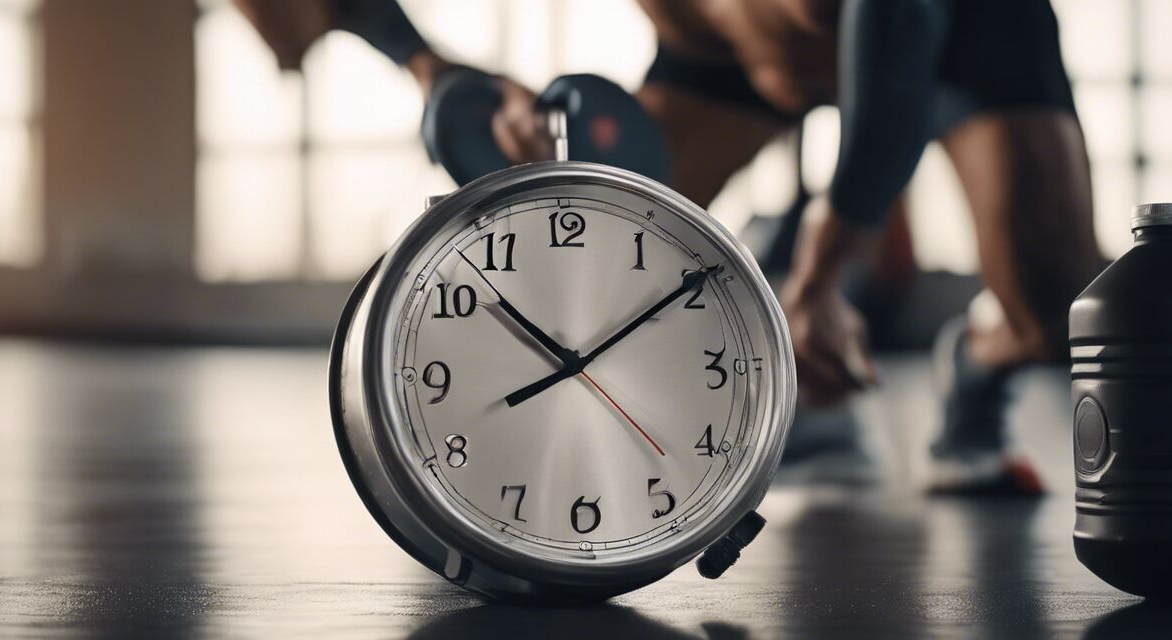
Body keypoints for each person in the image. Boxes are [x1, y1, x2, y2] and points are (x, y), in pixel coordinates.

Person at [233, 0, 1102, 494]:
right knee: (587, 263)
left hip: (965, 41)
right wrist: (431, 69)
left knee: (1063, 310)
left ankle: (976, 367)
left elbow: (897, 55)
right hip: (731, 55)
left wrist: (820, 284)